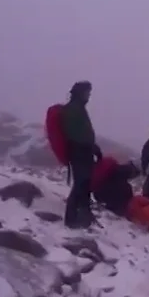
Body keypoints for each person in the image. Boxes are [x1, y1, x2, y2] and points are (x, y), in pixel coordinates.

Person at [62, 81, 102, 229]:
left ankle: (84, 215)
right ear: (80, 93)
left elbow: (83, 132)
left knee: (85, 183)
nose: (89, 96)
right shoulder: (73, 109)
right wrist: (91, 146)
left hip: (84, 151)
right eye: (87, 93)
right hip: (79, 152)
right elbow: (76, 134)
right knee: (80, 183)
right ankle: (71, 219)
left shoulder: (78, 108)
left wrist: (93, 147)